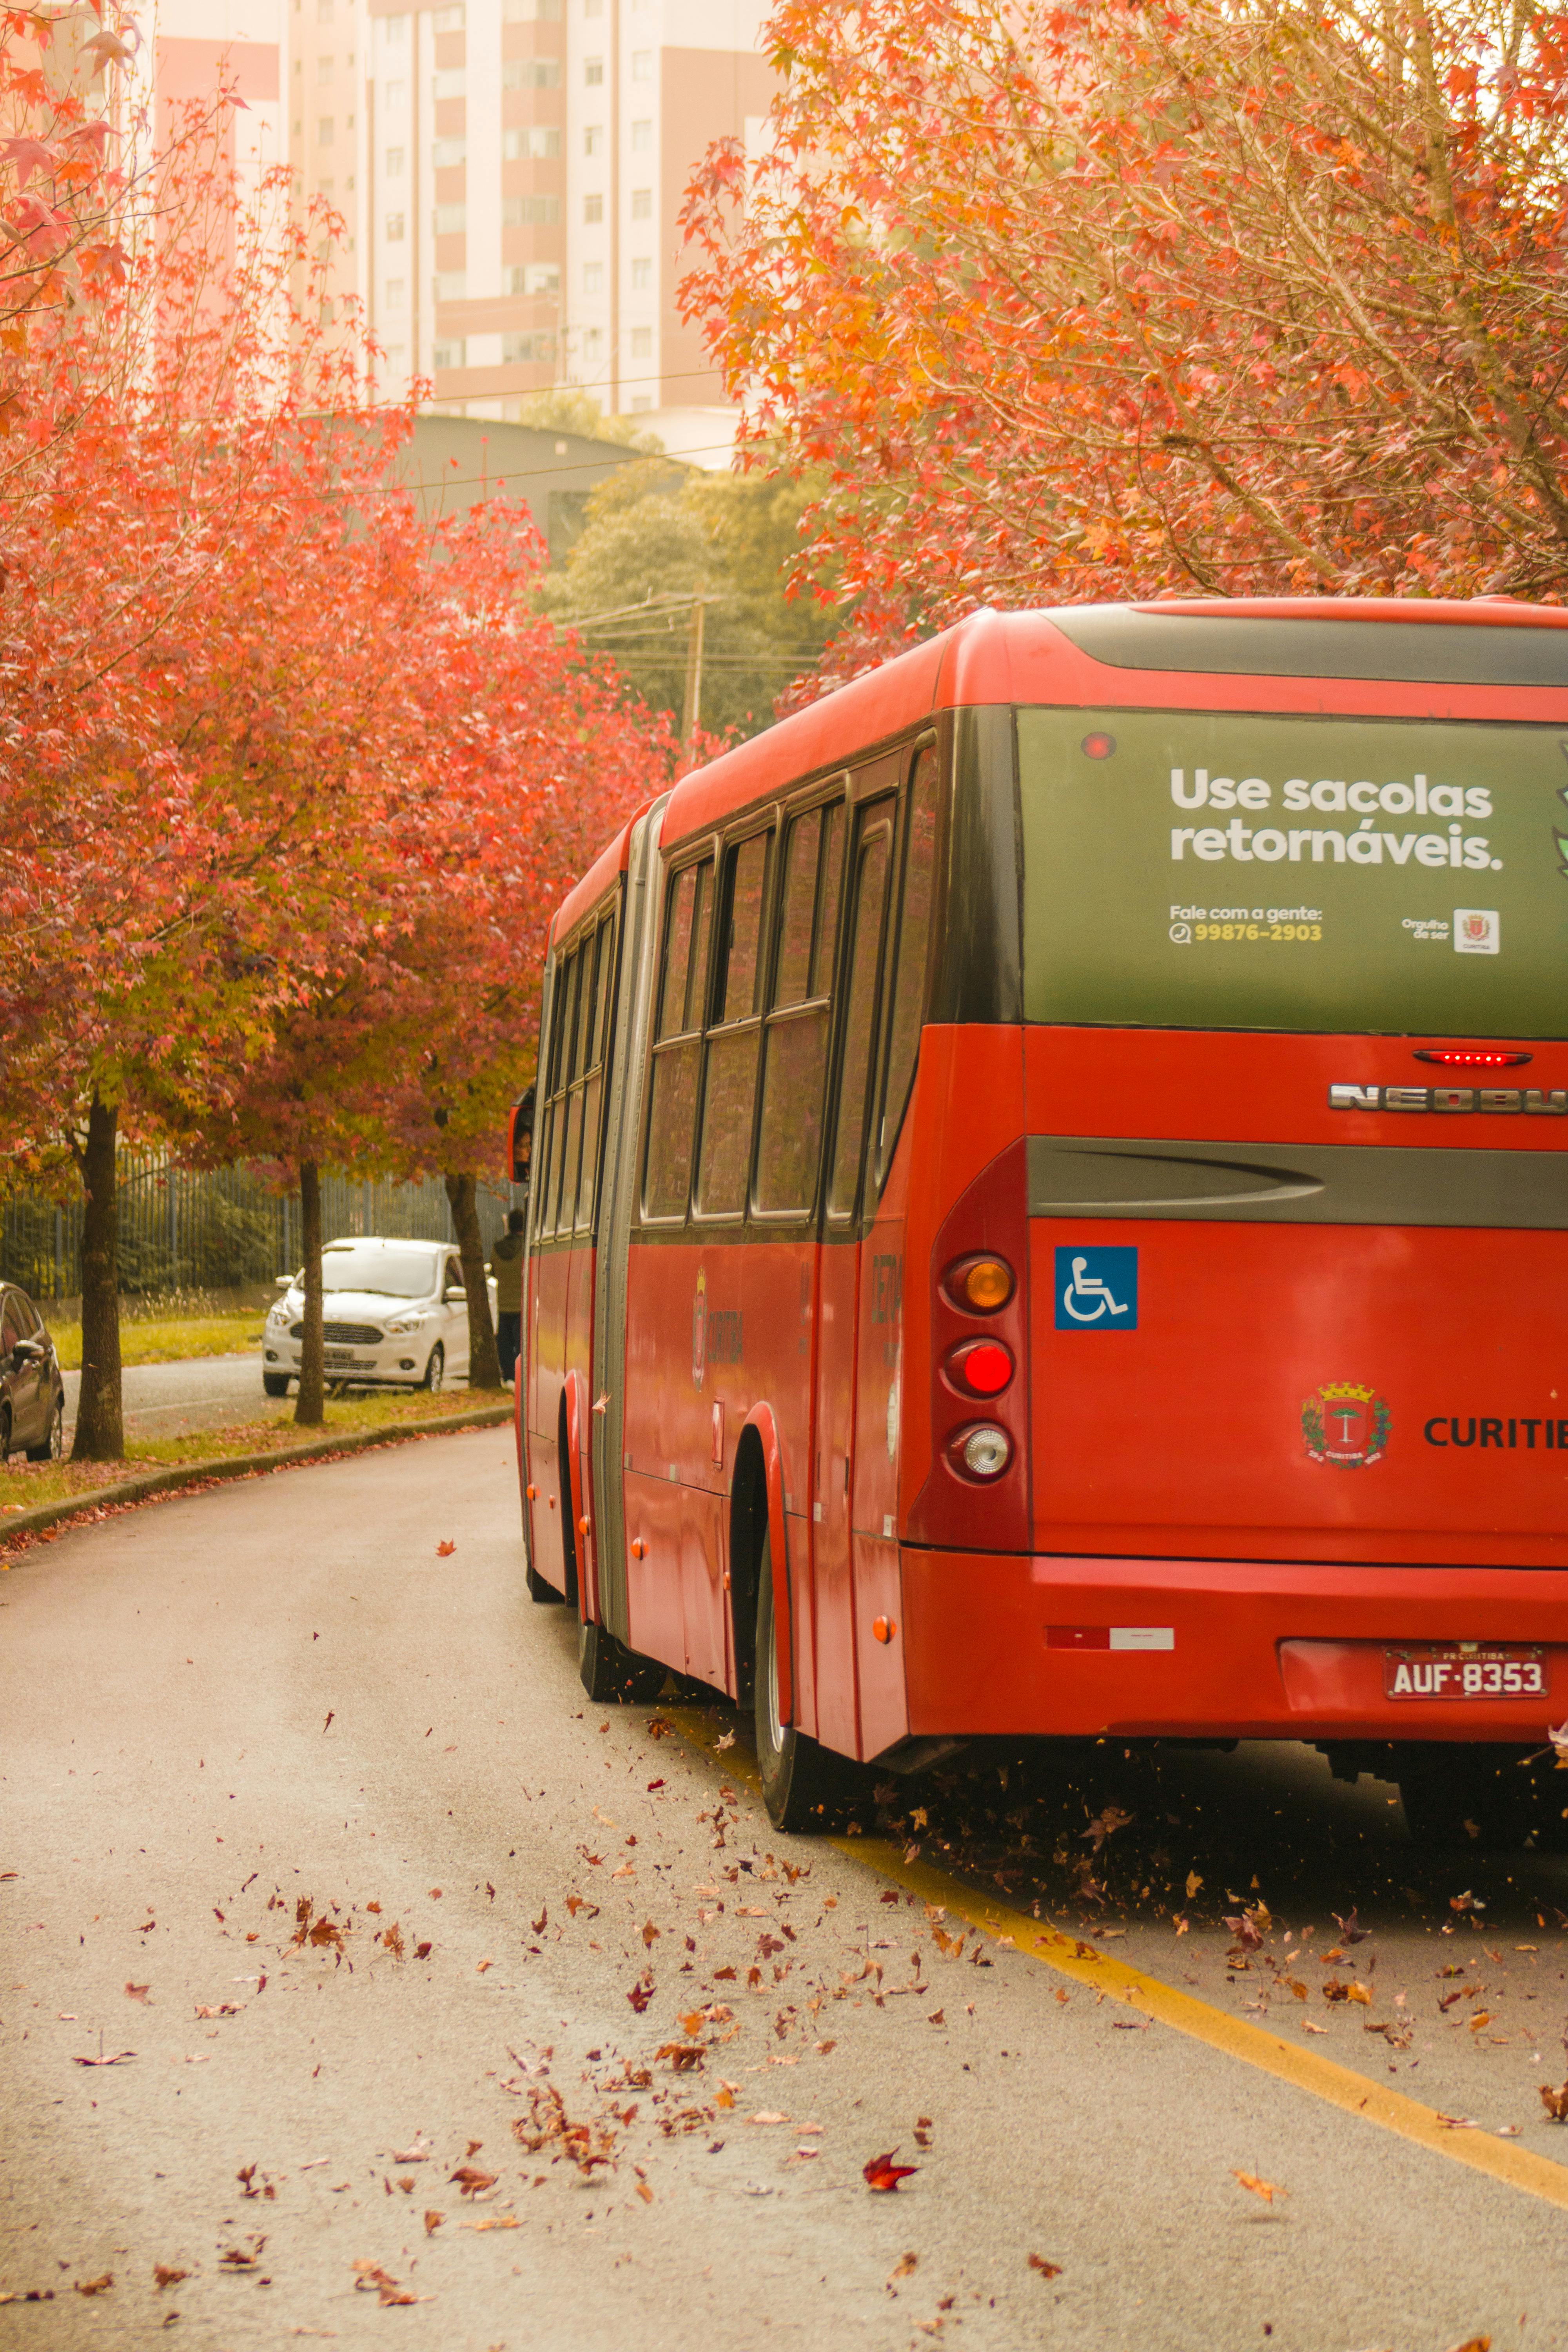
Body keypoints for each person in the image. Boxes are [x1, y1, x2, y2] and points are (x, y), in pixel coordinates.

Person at [490, 1209, 526, 1384]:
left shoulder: (497, 1248)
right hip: (522, 1307)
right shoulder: (526, 1249)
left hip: (503, 1305)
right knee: (521, 1346)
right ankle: (520, 1378)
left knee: (504, 1345)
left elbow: (494, 1272)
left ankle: (508, 1377)